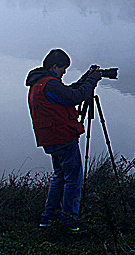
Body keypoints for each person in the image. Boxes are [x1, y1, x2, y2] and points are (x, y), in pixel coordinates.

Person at [26, 48, 101, 231]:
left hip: (51, 138)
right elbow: (76, 97)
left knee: (59, 176)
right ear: (54, 66)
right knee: (73, 179)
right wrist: (92, 80)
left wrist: (85, 79)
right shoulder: (50, 84)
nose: (64, 72)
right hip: (62, 137)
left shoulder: (40, 83)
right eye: (63, 68)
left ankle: (47, 218)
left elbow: (67, 94)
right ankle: (69, 222)